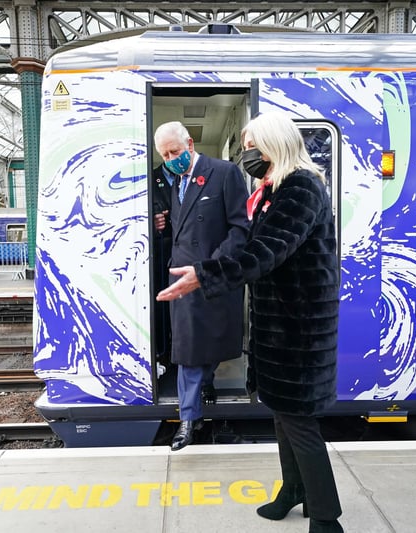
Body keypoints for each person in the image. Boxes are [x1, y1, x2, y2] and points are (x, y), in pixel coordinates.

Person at [157, 111, 343, 532]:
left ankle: (327, 518)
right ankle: (293, 491)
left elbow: (266, 253)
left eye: (251, 145)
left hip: (299, 330)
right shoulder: (275, 189)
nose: (247, 154)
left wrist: (203, 275)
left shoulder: (300, 188)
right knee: (282, 414)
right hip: (282, 325)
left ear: (273, 143)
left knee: (300, 422)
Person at [153, 121, 250, 451]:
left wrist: (210, 267)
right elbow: (182, 232)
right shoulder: (176, 181)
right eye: (165, 155)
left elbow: (240, 229)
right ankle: (189, 418)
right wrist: (162, 229)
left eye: (175, 151)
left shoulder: (224, 173)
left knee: (204, 345)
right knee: (188, 351)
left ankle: (202, 393)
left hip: (212, 274)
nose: (170, 159)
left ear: (190, 143)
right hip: (182, 279)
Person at [151, 164, 174, 371]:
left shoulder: (196, 176)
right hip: (159, 257)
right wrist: (152, 222)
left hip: (191, 256)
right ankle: (163, 354)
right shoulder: (149, 179)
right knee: (162, 308)